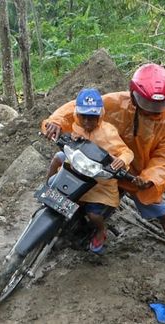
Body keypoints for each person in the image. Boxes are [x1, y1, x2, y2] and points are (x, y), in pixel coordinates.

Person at [42, 64, 165, 268]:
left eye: (156, 106)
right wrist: (56, 121)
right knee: (66, 174)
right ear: (133, 93)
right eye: (145, 104)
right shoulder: (115, 103)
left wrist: (149, 179)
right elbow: (77, 109)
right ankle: (65, 224)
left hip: (135, 176)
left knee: (162, 213)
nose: (151, 111)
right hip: (98, 163)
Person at [46, 88, 134, 253]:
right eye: (83, 116)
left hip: (98, 182)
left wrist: (121, 160)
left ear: (100, 115)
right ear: (77, 114)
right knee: (57, 158)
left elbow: (127, 152)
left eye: (92, 117)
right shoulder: (75, 125)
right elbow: (61, 129)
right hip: (75, 171)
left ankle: (101, 230)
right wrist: (65, 135)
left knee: (93, 215)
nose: (87, 121)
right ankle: (48, 186)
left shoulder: (108, 132)